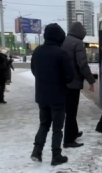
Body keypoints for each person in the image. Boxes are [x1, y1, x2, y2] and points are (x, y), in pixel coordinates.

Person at [31, 23, 74, 165]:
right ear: (60, 37)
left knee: (44, 124)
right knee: (57, 127)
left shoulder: (37, 51)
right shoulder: (62, 53)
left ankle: (37, 151)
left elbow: (34, 71)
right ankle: (56, 155)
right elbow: (69, 76)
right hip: (58, 96)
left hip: (42, 95)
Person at [61, 21, 96, 148]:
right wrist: (91, 80)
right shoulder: (78, 43)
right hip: (73, 82)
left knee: (69, 110)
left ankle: (74, 132)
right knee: (71, 112)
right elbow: (82, 64)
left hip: (63, 82)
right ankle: (68, 140)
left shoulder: (63, 41)